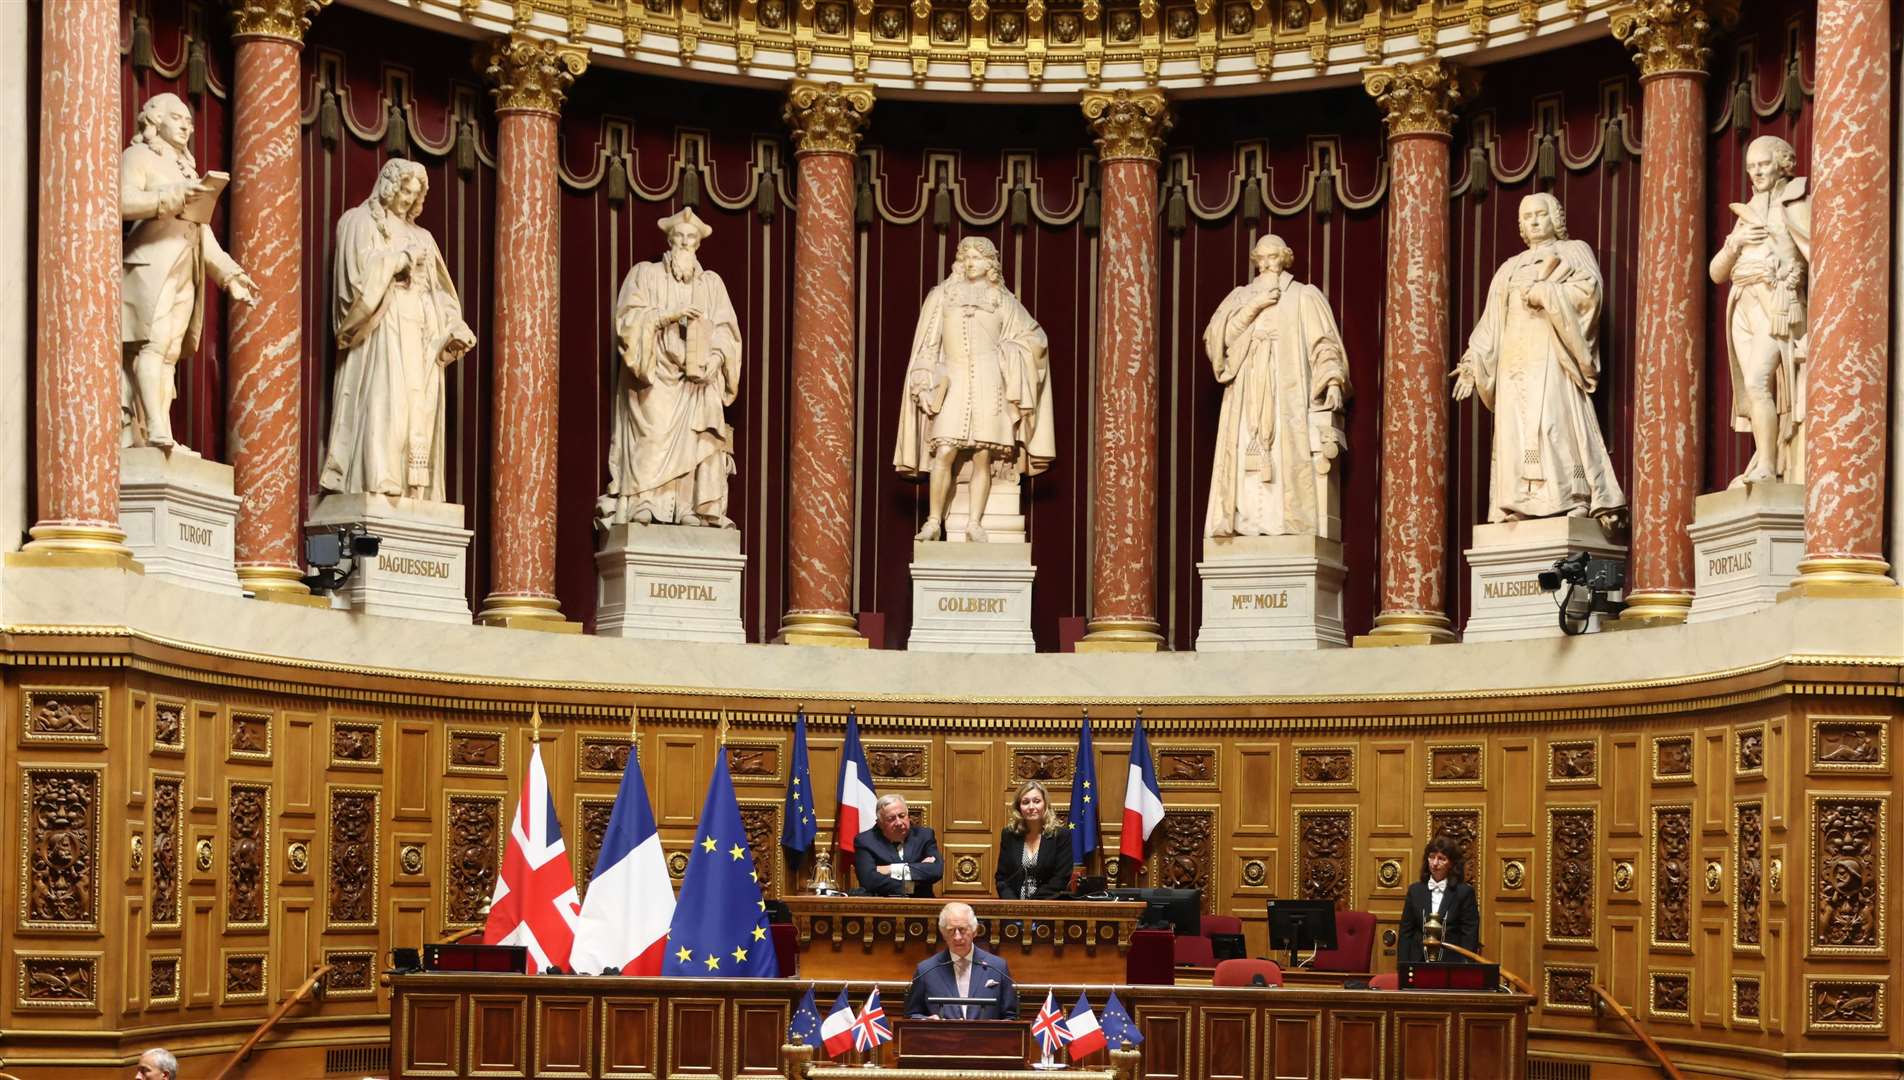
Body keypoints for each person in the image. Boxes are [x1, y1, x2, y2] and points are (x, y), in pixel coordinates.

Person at [1452, 193, 1625, 525]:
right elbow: (1490, 323)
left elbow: (1590, 295)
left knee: (1553, 425)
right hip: (1514, 360)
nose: (1533, 221)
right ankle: (1518, 500)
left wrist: (1545, 293)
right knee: (1515, 430)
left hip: (1553, 353)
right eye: (1527, 216)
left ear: (1555, 218)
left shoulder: (1574, 252)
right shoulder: (1509, 268)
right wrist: (1473, 363)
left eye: (1540, 214)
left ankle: (1572, 495)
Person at [318, 159, 476, 501]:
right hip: (383, 326)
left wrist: (453, 325)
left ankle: (412, 488)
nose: (407, 198)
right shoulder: (360, 222)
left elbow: (440, 291)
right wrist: (398, 261)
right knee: (386, 402)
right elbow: (355, 283)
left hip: (422, 333)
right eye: (404, 190)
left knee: (416, 410)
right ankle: (378, 476)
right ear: (389, 186)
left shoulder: (424, 236)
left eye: (414, 194)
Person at [120, 92, 259, 452]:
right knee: (151, 346)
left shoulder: (187, 168)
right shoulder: (138, 157)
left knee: (168, 352)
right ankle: (154, 429)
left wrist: (229, 274)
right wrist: (173, 195)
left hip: (186, 267)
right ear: (154, 120)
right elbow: (121, 201)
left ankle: (160, 429)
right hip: (151, 264)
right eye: (177, 118)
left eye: (190, 122)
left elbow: (201, 229)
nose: (186, 125)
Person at [894, 236, 1054, 543]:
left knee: (983, 455)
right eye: (965, 257)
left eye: (977, 258)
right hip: (953, 380)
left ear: (991, 264)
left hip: (990, 379)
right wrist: (922, 382)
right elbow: (927, 346)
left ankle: (974, 522)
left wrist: (1010, 352)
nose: (970, 262)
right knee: (945, 450)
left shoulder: (1003, 300)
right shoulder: (942, 296)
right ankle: (934, 521)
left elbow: (1036, 338)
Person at [599, 207, 743, 529]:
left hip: (696, 381)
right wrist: (667, 315)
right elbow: (628, 320)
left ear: (698, 245)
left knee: (699, 434)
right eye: (679, 238)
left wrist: (715, 360)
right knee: (652, 430)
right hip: (656, 375)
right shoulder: (645, 275)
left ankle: (690, 506)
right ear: (670, 240)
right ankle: (645, 499)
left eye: (691, 239)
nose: (685, 244)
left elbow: (727, 332)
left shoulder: (711, 285)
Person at [1203, 233, 1351, 539]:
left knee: (1285, 454)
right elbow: (1220, 339)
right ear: (1256, 262)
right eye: (1263, 259)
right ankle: (1246, 523)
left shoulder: (1302, 296)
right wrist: (1254, 307)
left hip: (1287, 391)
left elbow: (1323, 345)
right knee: (1246, 452)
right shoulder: (1240, 297)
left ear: (1284, 259)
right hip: (1246, 392)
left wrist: (1333, 380)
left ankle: (1283, 521)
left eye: (1275, 258)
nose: (1269, 265)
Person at [1711, 134, 1811, 487]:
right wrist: (1734, 243)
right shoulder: (1747, 211)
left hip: (1777, 303)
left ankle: (1768, 465)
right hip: (1742, 303)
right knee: (1750, 388)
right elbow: (1716, 272)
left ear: (1783, 163)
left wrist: (1789, 276)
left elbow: (1819, 255)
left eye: (1763, 164)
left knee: (1757, 382)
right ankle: (1763, 459)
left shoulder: (1797, 200)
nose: (1756, 172)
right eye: (1751, 167)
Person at [904, 901, 1020, 1019]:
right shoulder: (926, 970)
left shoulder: (997, 967)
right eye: (951, 930)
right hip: (942, 1037)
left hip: (985, 1037)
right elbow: (912, 1015)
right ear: (943, 934)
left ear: (974, 931)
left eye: (962, 930)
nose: (957, 937)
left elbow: (1010, 1016)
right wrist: (926, 1020)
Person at [1396, 836, 1480, 964]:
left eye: (1441, 859)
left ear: (1452, 863)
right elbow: (1405, 933)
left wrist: (1464, 968)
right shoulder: (1415, 890)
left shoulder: (1464, 892)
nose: (1435, 863)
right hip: (1418, 961)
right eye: (1432, 857)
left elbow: (1469, 935)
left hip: (1451, 963)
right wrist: (1403, 966)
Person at [854, 793, 942, 897]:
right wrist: (913, 884)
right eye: (891, 819)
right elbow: (869, 880)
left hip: (921, 905)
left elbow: (935, 871)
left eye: (902, 816)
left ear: (908, 816)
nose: (899, 822)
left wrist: (890, 869)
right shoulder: (865, 841)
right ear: (880, 823)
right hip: (883, 907)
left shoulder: (924, 836)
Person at [994, 780, 1071, 900]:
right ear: (1019, 807)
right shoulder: (1009, 834)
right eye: (1025, 802)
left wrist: (1032, 904)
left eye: (1036, 801)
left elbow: (1060, 879)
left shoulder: (1061, 836)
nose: (1031, 807)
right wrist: (1014, 905)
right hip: (1013, 908)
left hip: (1049, 907)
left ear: (1045, 804)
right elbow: (1002, 879)